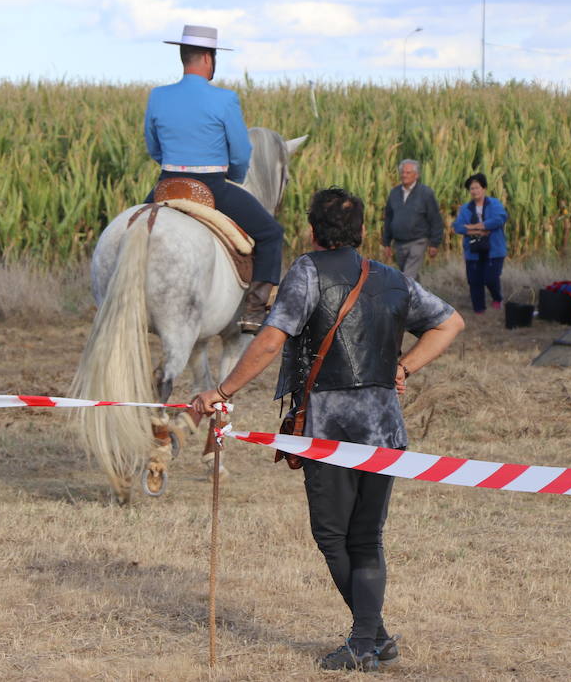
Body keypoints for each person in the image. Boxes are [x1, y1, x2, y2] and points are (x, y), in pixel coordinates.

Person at [192, 187, 464, 673]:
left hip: (329, 429)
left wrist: (224, 390)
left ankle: (366, 640)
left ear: (312, 230)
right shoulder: (392, 277)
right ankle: (373, 636)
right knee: (365, 537)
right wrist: (404, 369)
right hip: (384, 427)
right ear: (361, 232)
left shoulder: (307, 271)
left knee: (333, 536)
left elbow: (273, 338)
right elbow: (450, 323)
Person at [144, 24, 284, 332]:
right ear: (208, 59)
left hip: (165, 185)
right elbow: (239, 153)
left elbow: (153, 147)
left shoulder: (158, 96)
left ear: (184, 58)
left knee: (133, 228)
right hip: (212, 186)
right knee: (272, 233)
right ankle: (254, 310)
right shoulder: (224, 99)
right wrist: (233, 175)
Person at [451, 173, 508, 315]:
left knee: (491, 278)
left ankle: (497, 298)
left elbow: (499, 219)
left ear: (484, 189)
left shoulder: (494, 204)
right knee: (474, 280)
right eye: (471, 189)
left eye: (477, 188)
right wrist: (476, 231)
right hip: (473, 249)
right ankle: (479, 309)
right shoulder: (465, 208)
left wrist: (476, 226)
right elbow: (458, 226)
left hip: (493, 248)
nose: (474, 191)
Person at [380, 159, 442, 282]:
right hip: (399, 243)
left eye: (408, 173)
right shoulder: (394, 193)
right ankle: (419, 298)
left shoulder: (426, 193)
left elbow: (435, 219)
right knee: (409, 275)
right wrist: (386, 243)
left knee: (407, 276)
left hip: (418, 240)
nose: (404, 175)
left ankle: (403, 301)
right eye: (402, 172)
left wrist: (434, 243)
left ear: (416, 175)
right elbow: (388, 218)